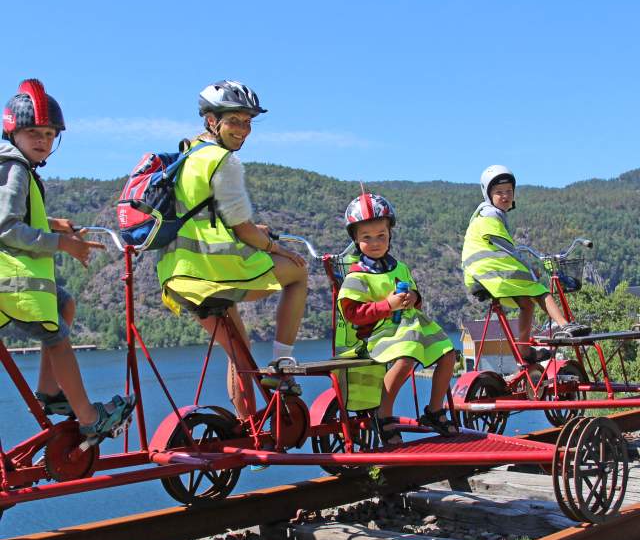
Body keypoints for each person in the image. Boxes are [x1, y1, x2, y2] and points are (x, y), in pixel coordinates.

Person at [157, 80, 308, 415]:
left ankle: (246, 428)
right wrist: (272, 245)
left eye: (248, 122)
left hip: (179, 277)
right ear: (212, 120)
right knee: (298, 272)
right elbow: (242, 228)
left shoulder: (185, 155)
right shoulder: (223, 161)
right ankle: (282, 362)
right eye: (235, 121)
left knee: (239, 352)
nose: (244, 130)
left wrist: (250, 231)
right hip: (216, 272)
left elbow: (205, 216)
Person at [0, 79, 135, 439]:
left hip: (18, 285)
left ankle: (50, 392)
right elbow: (7, 228)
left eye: (48, 133)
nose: (42, 139)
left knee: (66, 304)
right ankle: (90, 417)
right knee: (57, 338)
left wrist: (54, 223)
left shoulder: (21, 169)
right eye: (32, 132)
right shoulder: (13, 169)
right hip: (12, 285)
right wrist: (63, 243)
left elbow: (20, 217)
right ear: (13, 132)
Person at [337, 191, 456, 445]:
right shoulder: (357, 276)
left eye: (381, 235)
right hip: (378, 334)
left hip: (409, 328)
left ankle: (435, 409)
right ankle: (384, 414)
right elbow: (353, 315)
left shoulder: (399, 267)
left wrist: (413, 297)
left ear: (390, 235)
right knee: (406, 357)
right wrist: (386, 305)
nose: (376, 242)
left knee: (448, 354)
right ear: (356, 241)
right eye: (367, 238)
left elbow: (414, 294)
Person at [461, 165, 590, 364]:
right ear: (488, 195)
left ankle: (524, 351)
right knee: (539, 290)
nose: (505, 196)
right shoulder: (490, 216)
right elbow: (507, 250)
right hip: (491, 271)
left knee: (526, 304)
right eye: (498, 192)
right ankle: (565, 325)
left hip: (478, 274)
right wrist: (530, 270)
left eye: (509, 192)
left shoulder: (482, 216)